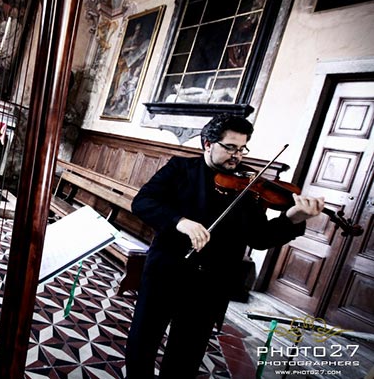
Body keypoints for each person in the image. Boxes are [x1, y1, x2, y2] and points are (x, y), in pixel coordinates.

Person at [125, 114, 325, 378]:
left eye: (242, 148)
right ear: (208, 144)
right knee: (143, 340)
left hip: (212, 283)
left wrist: (293, 218)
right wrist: (180, 222)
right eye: (230, 147)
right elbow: (142, 202)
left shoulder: (249, 186)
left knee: (187, 354)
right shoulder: (180, 169)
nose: (237, 156)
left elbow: (260, 238)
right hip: (166, 271)